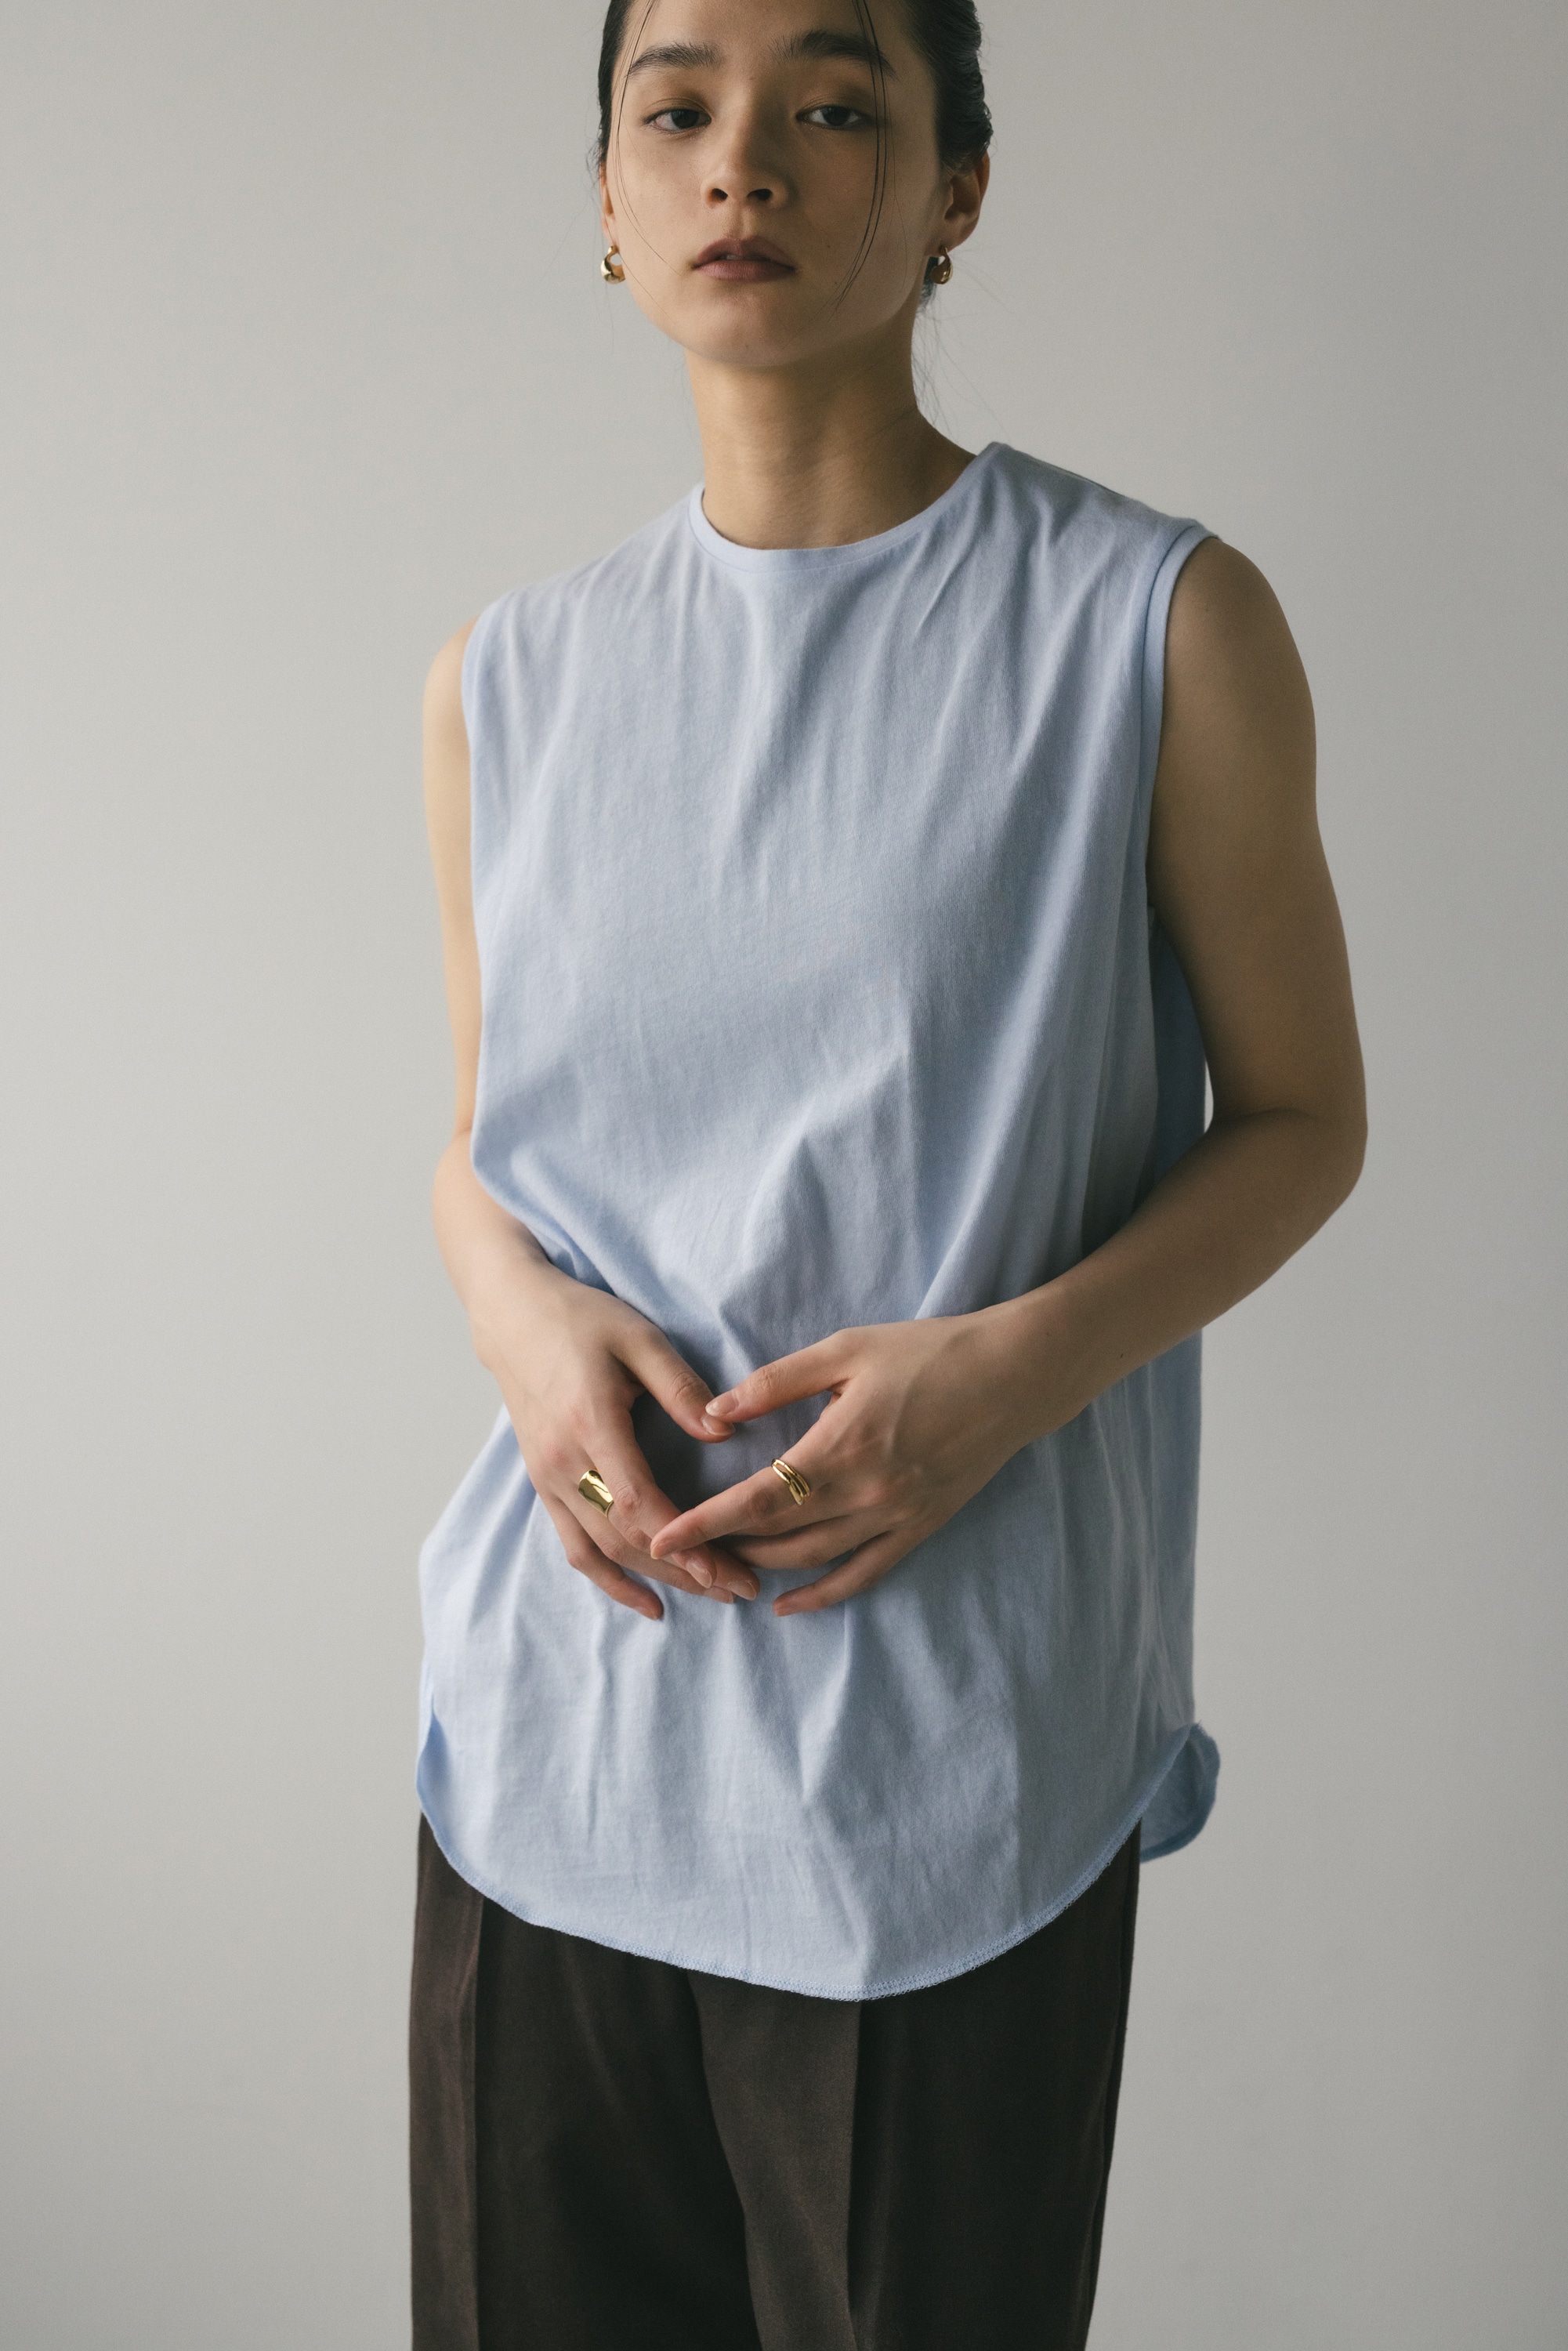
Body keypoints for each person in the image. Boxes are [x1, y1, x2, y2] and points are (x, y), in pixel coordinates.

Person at [408, 0, 1367, 2342]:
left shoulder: (1149, 622)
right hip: (553, 1746)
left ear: (954, 193)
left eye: (835, 106)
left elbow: (1301, 1120)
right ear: (609, 201)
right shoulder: (508, 680)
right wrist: (526, 1328)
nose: (744, 158)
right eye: (677, 107)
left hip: (944, 1776)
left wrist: (1002, 1380)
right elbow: (487, 1150)